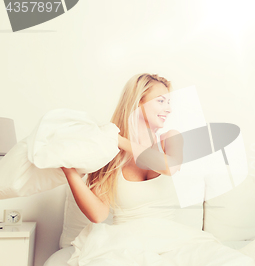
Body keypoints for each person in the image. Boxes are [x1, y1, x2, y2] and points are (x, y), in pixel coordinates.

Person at [61, 73, 183, 224]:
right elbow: (98, 215)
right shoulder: (111, 154)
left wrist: (118, 140)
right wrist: (69, 171)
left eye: (169, 102)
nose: (168, 109)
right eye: (161, 101)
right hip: (125, 241)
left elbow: (170, 167)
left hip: (168, 239)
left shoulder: (171, 138)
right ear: (138, 102)